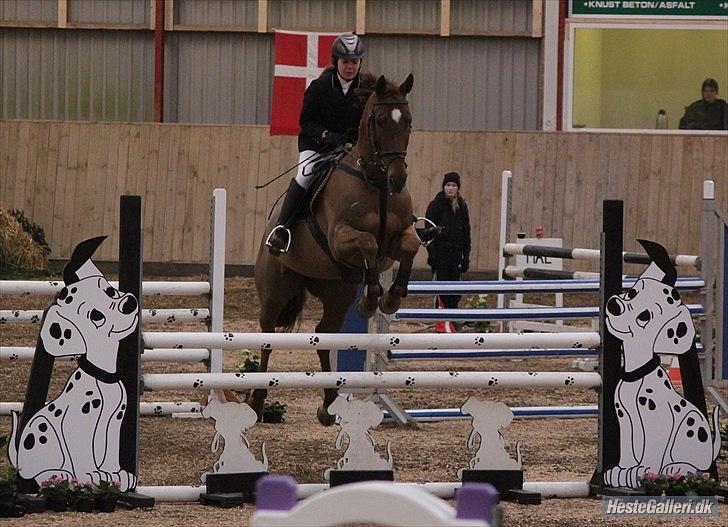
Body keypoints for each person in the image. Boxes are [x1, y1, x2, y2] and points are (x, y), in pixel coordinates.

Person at [266, 33, 366, 254]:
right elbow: (305, 122)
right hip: (317, 146)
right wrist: (326, 135)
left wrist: (353, 138)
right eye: (346, 62)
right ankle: (282, 228)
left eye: (354, 62)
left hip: (348, 149)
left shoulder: (365, 90)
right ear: (336, 61)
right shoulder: (320, 86)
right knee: (306, 174)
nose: (350, 67)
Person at [425, 172, 471, 311]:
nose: (450, 188)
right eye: (448, 185)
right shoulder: (435, 205)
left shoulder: (461, 206)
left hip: (456, 254)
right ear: (444, 187)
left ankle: (453, 317)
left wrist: (466, 257)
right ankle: (441, 318)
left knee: (455, 290)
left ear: (458, 188)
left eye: (453, 185)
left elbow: (466, 233)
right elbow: (428, 231)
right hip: (441, 254)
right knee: (441, 288)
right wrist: (432, 254)